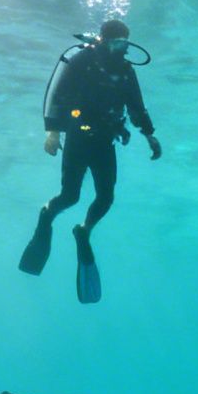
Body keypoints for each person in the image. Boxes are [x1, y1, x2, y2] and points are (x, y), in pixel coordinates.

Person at [18, 18, 160, 303]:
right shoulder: (81, 61)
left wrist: (149, 135)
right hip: (78, 137)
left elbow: (136, 106)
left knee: (106, 197)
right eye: (116, 42)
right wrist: (52, 132)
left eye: (125, 43)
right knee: (70, 196)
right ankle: (47, 215)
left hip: (105, 140)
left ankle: (84, 230)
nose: (122, 48)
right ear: (103, 41)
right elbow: (57, 95)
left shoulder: (126, 70)